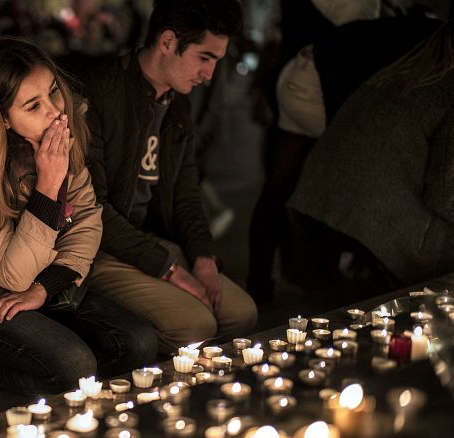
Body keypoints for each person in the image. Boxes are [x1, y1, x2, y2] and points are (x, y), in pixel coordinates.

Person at [0, 38, 158, 396]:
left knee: (137, 342)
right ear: (1, 118)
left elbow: (88, 221)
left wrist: (44, 289)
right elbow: (13, 275)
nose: (56, 111)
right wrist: (49, 184)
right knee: (74, 366)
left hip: (37, 283)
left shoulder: (56, 135)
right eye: (33, 105)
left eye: (54, 92)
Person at [78, 0, 257, 353]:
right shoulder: (99, 93)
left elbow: (187, 195)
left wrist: (204, 259)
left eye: (216, 62)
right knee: (197, 325)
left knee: (241, 314)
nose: (209, 75)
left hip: (149, 241)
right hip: (98, 249)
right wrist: (171, 270)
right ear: (168, 43)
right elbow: (93, 209)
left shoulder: (177, 102)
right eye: (204, 58)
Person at [288, 21, 454, 288]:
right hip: (366, 219)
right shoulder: (446, 90)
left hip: (318, 199)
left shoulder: (406, 72)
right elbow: (443, 193)